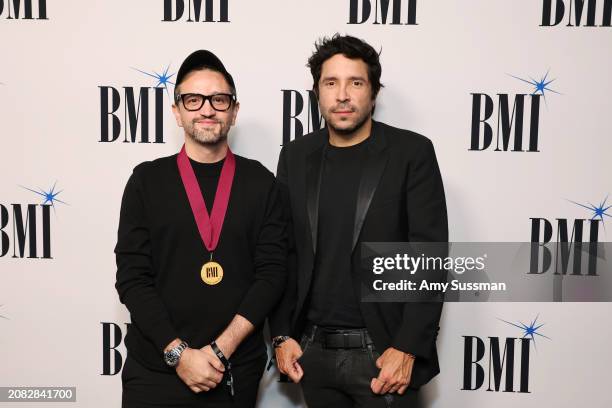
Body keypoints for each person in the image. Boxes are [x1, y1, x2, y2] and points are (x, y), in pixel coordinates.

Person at [270, 34, 448, 407]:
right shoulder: (296, 156)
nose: (342, 95)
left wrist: (407, 348)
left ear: (374, 92)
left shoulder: (411, 153)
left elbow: (430, 257)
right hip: (312, 354)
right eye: (330, 83)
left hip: (383, 354)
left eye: (356, 82)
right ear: (317, 92)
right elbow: (283, 252)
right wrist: (282, 335)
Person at [115, 49, 287, 408]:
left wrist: (220, 351)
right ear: (177, 113)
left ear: (234, 111)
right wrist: (180, 354)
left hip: (234, 371)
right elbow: (133, 277)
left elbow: (271, 275)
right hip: (155, 372)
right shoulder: (146, 181)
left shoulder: (262, 183)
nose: (207, 109)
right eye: (193, 100)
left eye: (219, 100)